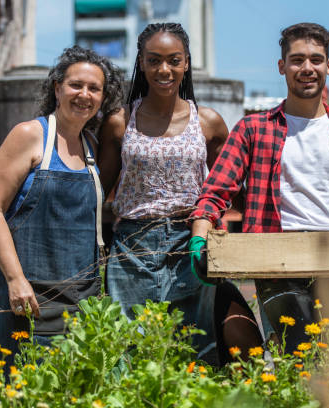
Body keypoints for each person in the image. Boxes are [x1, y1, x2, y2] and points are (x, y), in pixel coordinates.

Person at [189, 22, 329, 376]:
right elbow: (217, 191)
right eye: (297, 59)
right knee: (296, 376)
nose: (307, 68)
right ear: (282, 67)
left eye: (316, 59)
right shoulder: (254, 129)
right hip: (278, 265)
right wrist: (200, 236)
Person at [98, 23, 263, 365]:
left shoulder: (208, 122)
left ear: (186, 63)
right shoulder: (119, 121)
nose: (164, 70)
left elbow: (231, 188)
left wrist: (259, 233)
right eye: (154, 60)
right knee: (131, 350)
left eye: (173, 60)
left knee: (194, 347)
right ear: (141, 63)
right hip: (132, 248)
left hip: (191, 244)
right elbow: (97, 191)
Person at [0, 46, 123, 367]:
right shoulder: (30, 136)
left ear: (102, 97)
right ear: (57, 88)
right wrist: (16, 279)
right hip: (27, 296)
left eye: (94, 88)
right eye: (76, 85)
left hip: (81, 296)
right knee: (24, 387)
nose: (84, 94)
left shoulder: (91, 147)